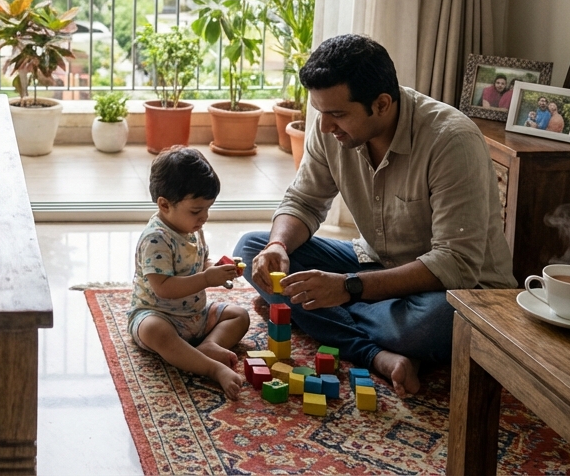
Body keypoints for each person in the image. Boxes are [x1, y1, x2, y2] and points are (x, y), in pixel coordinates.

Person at [235, 35, 515, 397]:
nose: (323, 127)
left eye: (337, 114)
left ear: (382, 104)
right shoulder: (331, 131)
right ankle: (380, 354)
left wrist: (347, 289)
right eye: (320, 112)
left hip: (458, 290)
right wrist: (278, 244)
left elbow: (455, 264)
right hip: (377, 265)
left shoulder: (452, 140)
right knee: (251, 249)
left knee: (428, 324)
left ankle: (317, 317)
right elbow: (304, 201)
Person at [128, 147, 249, 399]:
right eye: (196, 210)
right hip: (160, 314)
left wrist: (216, 269)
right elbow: (163, 287)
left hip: (196, 314)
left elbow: (203, 260)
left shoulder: (192, 228)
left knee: (239, 315)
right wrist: (206, 279)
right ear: (164, 204)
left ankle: (208, 346)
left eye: (207, 208)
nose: (204, 217)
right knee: (155, 331)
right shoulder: (156, 238)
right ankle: (211, 367)